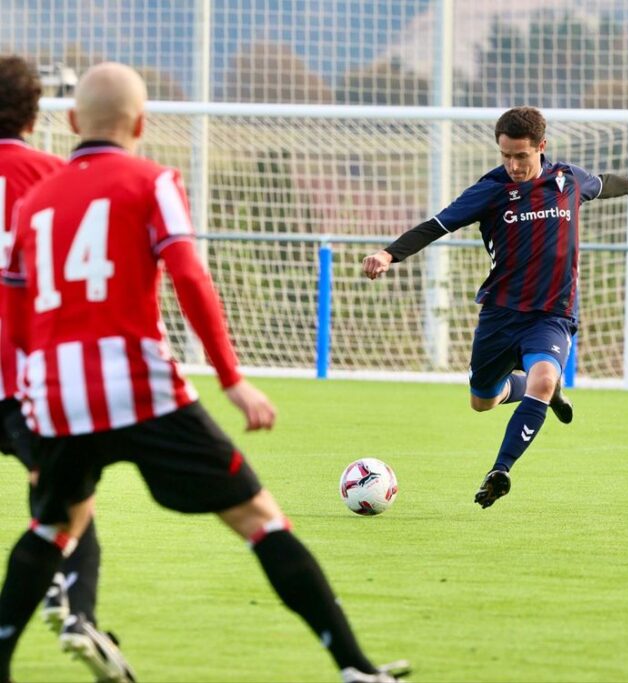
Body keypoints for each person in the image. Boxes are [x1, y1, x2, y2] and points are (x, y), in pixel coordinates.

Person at [0, 62, 407, 683]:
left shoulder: (35, 203)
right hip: (143, 391)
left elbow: (17, 312)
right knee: (260, 520)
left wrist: (42, 384)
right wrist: (231, 378)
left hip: (61, 397)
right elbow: (188, 275)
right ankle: (354, 668)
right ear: (141, 124)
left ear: (75, 121)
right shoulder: (153, 181)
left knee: (54, 528)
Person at [362, 106, 628, 508]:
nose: (513, 165)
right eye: (505, 155)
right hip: (501, 315)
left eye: (521, 156)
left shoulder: (567, 180)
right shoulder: (491, 189)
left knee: (542, 379)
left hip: (552, 314)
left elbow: (604, 183)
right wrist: (389, 254)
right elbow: (437, 225)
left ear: (542, 147)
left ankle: (500, 470)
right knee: (482, 401)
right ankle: (536, 387)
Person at [0, 54, 135, 680]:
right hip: (21, 374)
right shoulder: (54, 179)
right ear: (35, 115)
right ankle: (76, 610)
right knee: (68, 501)